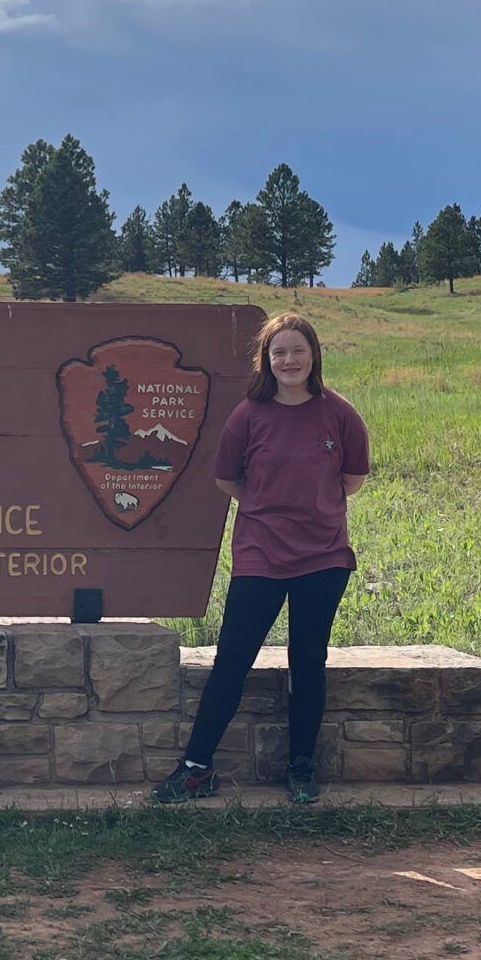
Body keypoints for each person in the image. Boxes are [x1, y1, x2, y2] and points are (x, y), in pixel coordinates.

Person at [153, 311, 368, 805]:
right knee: (232, 660)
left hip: (324, 557)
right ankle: (196, 768)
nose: (288, 360)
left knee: (308, 661)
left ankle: (300, 768)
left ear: (313, 355)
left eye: (297, 350)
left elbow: (352, 479)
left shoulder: (340, 414)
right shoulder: (248, 415)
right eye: (279, 352)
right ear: (266, 361)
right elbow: (227, 480)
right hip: (260, 554)